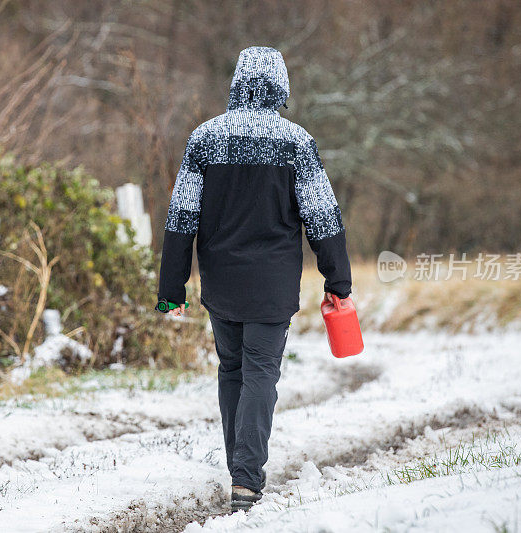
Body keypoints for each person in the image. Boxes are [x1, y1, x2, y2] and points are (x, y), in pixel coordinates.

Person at [156, 46, 351, 511]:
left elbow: (181, 217)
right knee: (261, 371)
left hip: (220, 282)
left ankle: (239, 469)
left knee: (231, 369)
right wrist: (337, 280)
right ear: (280, 85)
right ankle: (246, 478)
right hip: (272, 283)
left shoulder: (204, 139)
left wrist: (171, 290)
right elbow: (322, 217)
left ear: (237, 83)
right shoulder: (296, 142)